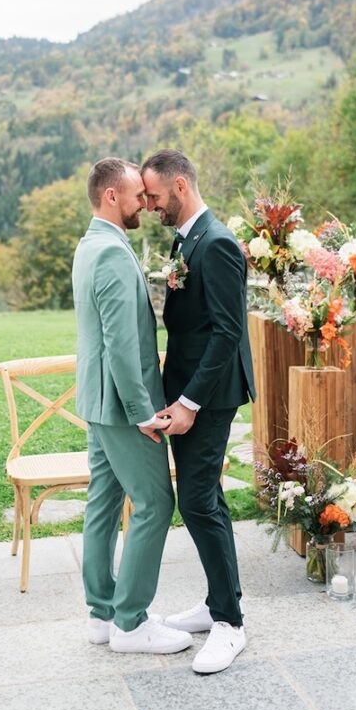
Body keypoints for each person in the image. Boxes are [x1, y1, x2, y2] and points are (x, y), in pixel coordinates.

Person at [141, 148, 256, 674]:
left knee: (198, 501)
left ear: (181, 187)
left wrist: (189, 403)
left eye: (155, 196)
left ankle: (230, 625)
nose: (149, 205)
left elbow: (228, 333)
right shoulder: (185, 240)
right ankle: (217, 604)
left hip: (210, 396)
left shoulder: (219, 245)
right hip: (187, 388)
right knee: (205, 498)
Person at [72, 157, 192, 655]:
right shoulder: (114, 255)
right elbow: (121, 344)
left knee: (102, 505)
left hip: (97, 404)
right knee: (155, 503)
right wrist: (143, 411)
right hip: (123, 409)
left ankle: (102, 614)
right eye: (136, 195)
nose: (145, 201)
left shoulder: (89, 246)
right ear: (111, 197)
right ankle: (131, 623)